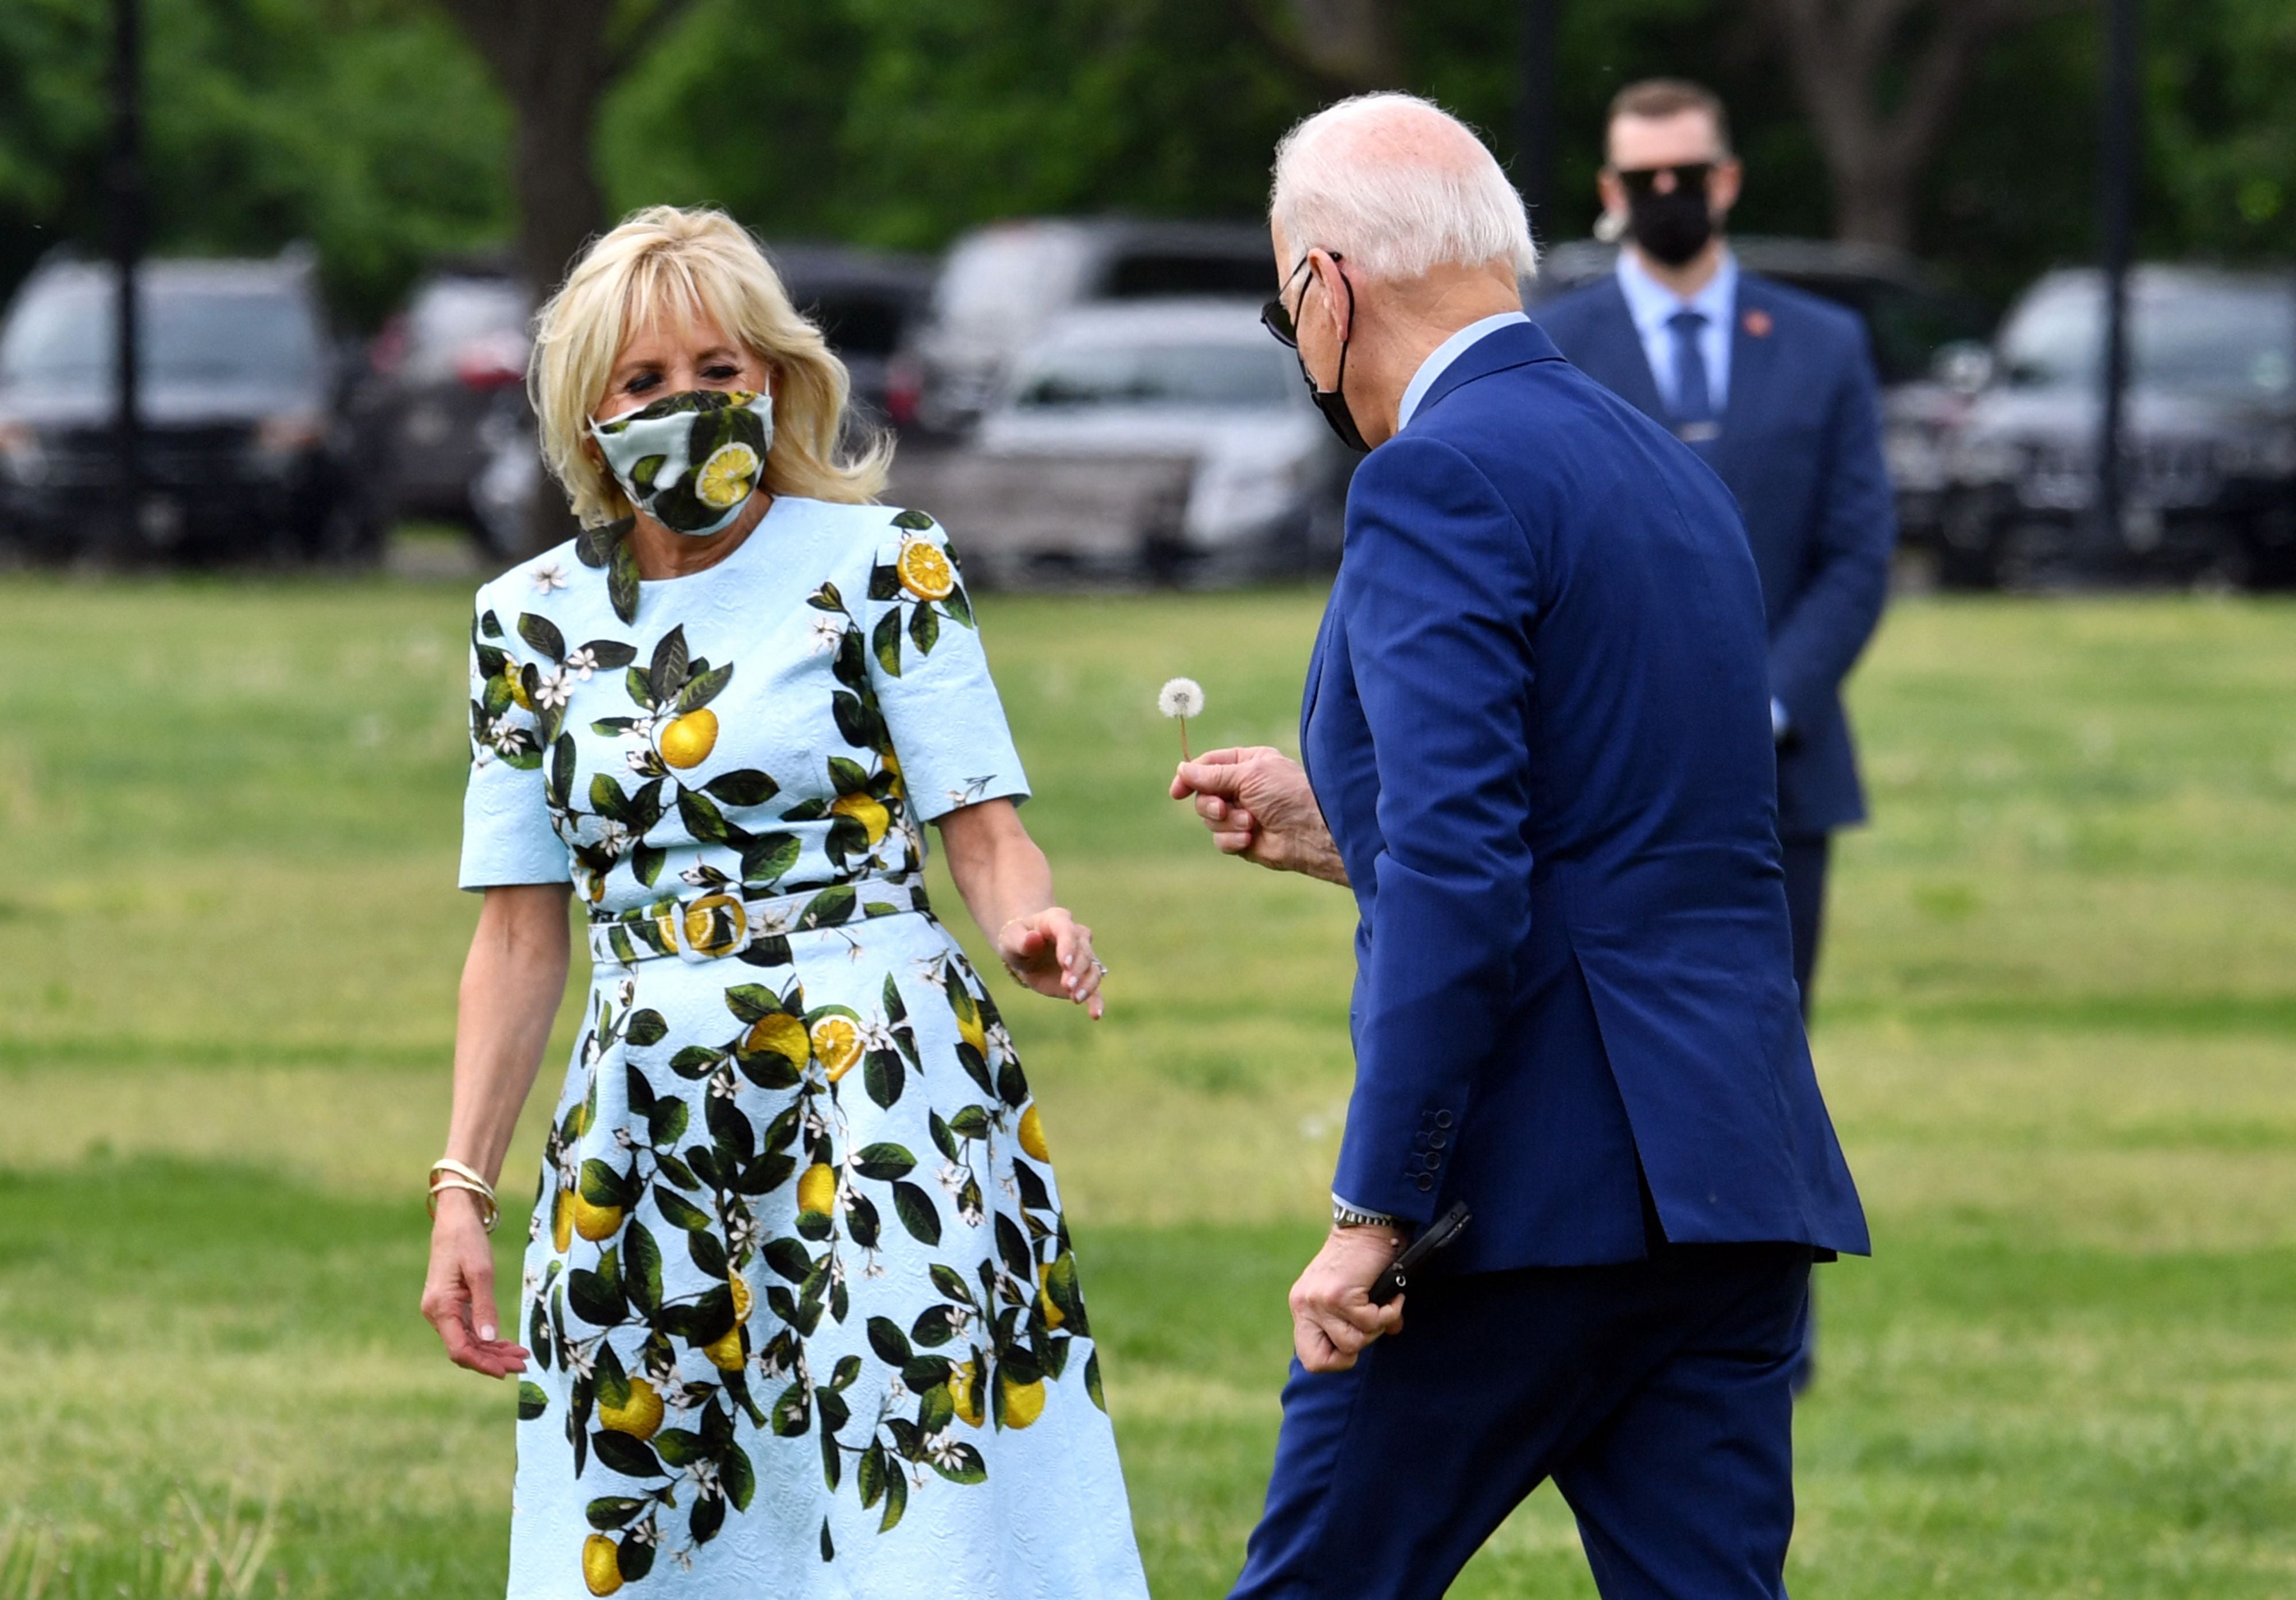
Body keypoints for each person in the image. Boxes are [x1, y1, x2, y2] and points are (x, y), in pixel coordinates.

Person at [1170, 95, 1868, 1600]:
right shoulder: (1673, 472)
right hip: (1730, 1185)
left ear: (1324, 288)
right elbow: (1629, 821)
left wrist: (1374, 1209)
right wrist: (1343, 822)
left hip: (1522, 1206)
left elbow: (1465, 884)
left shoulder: (1434, 475)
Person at [419, 206, 1149, 1600]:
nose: (686, 405)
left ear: (776, 379)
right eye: (643, 382)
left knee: (908, 1490)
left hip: (878, 1084)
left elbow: (986, 838)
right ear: (586, 408)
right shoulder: (525, 621)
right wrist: (464, 1188)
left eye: (720, 369)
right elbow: (518, 930)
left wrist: (1027, 925)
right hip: (644, 1116)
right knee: (661, 1504)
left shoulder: (885, 564)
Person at [1531, 78, 1896, 1023]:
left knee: (1770, 1050)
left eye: (1685, 172)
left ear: (1727, 180)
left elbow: (1857, 554)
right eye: (1641, 177)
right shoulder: (1551, 346)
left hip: (1784, 775)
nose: (1666, 193)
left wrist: (1766, 703)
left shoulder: (1825, 344)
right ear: (1610, 195)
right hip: (1606, 777)